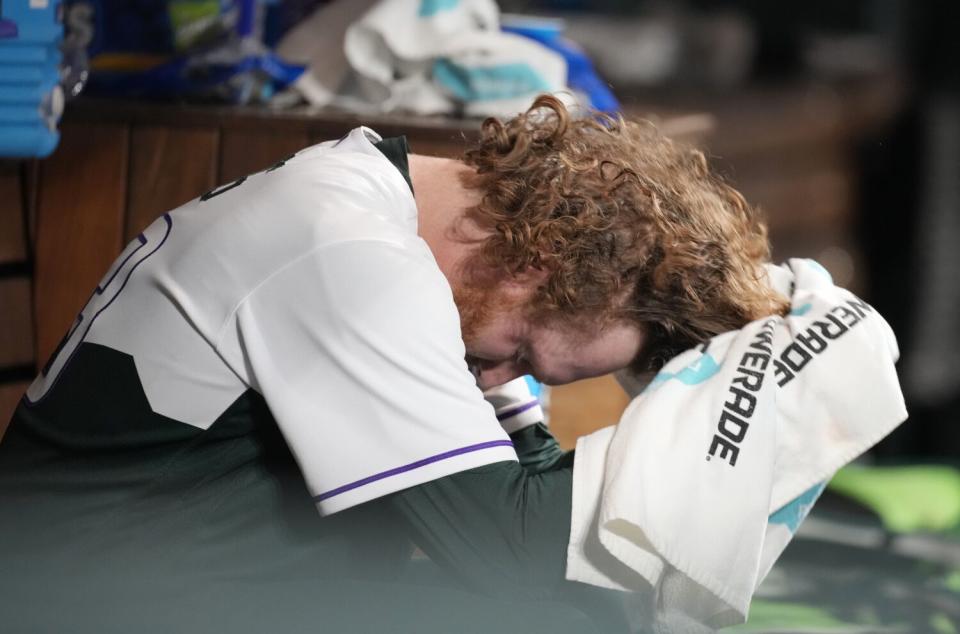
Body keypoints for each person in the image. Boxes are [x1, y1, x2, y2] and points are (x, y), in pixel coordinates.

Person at [0, 95, 787, 632]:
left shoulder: (425, 263)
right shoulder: (344, 245)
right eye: (521, 355)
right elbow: (516, 552)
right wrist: (770, 401)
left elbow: (556, 541)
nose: (500, 381)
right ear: (537, 263)